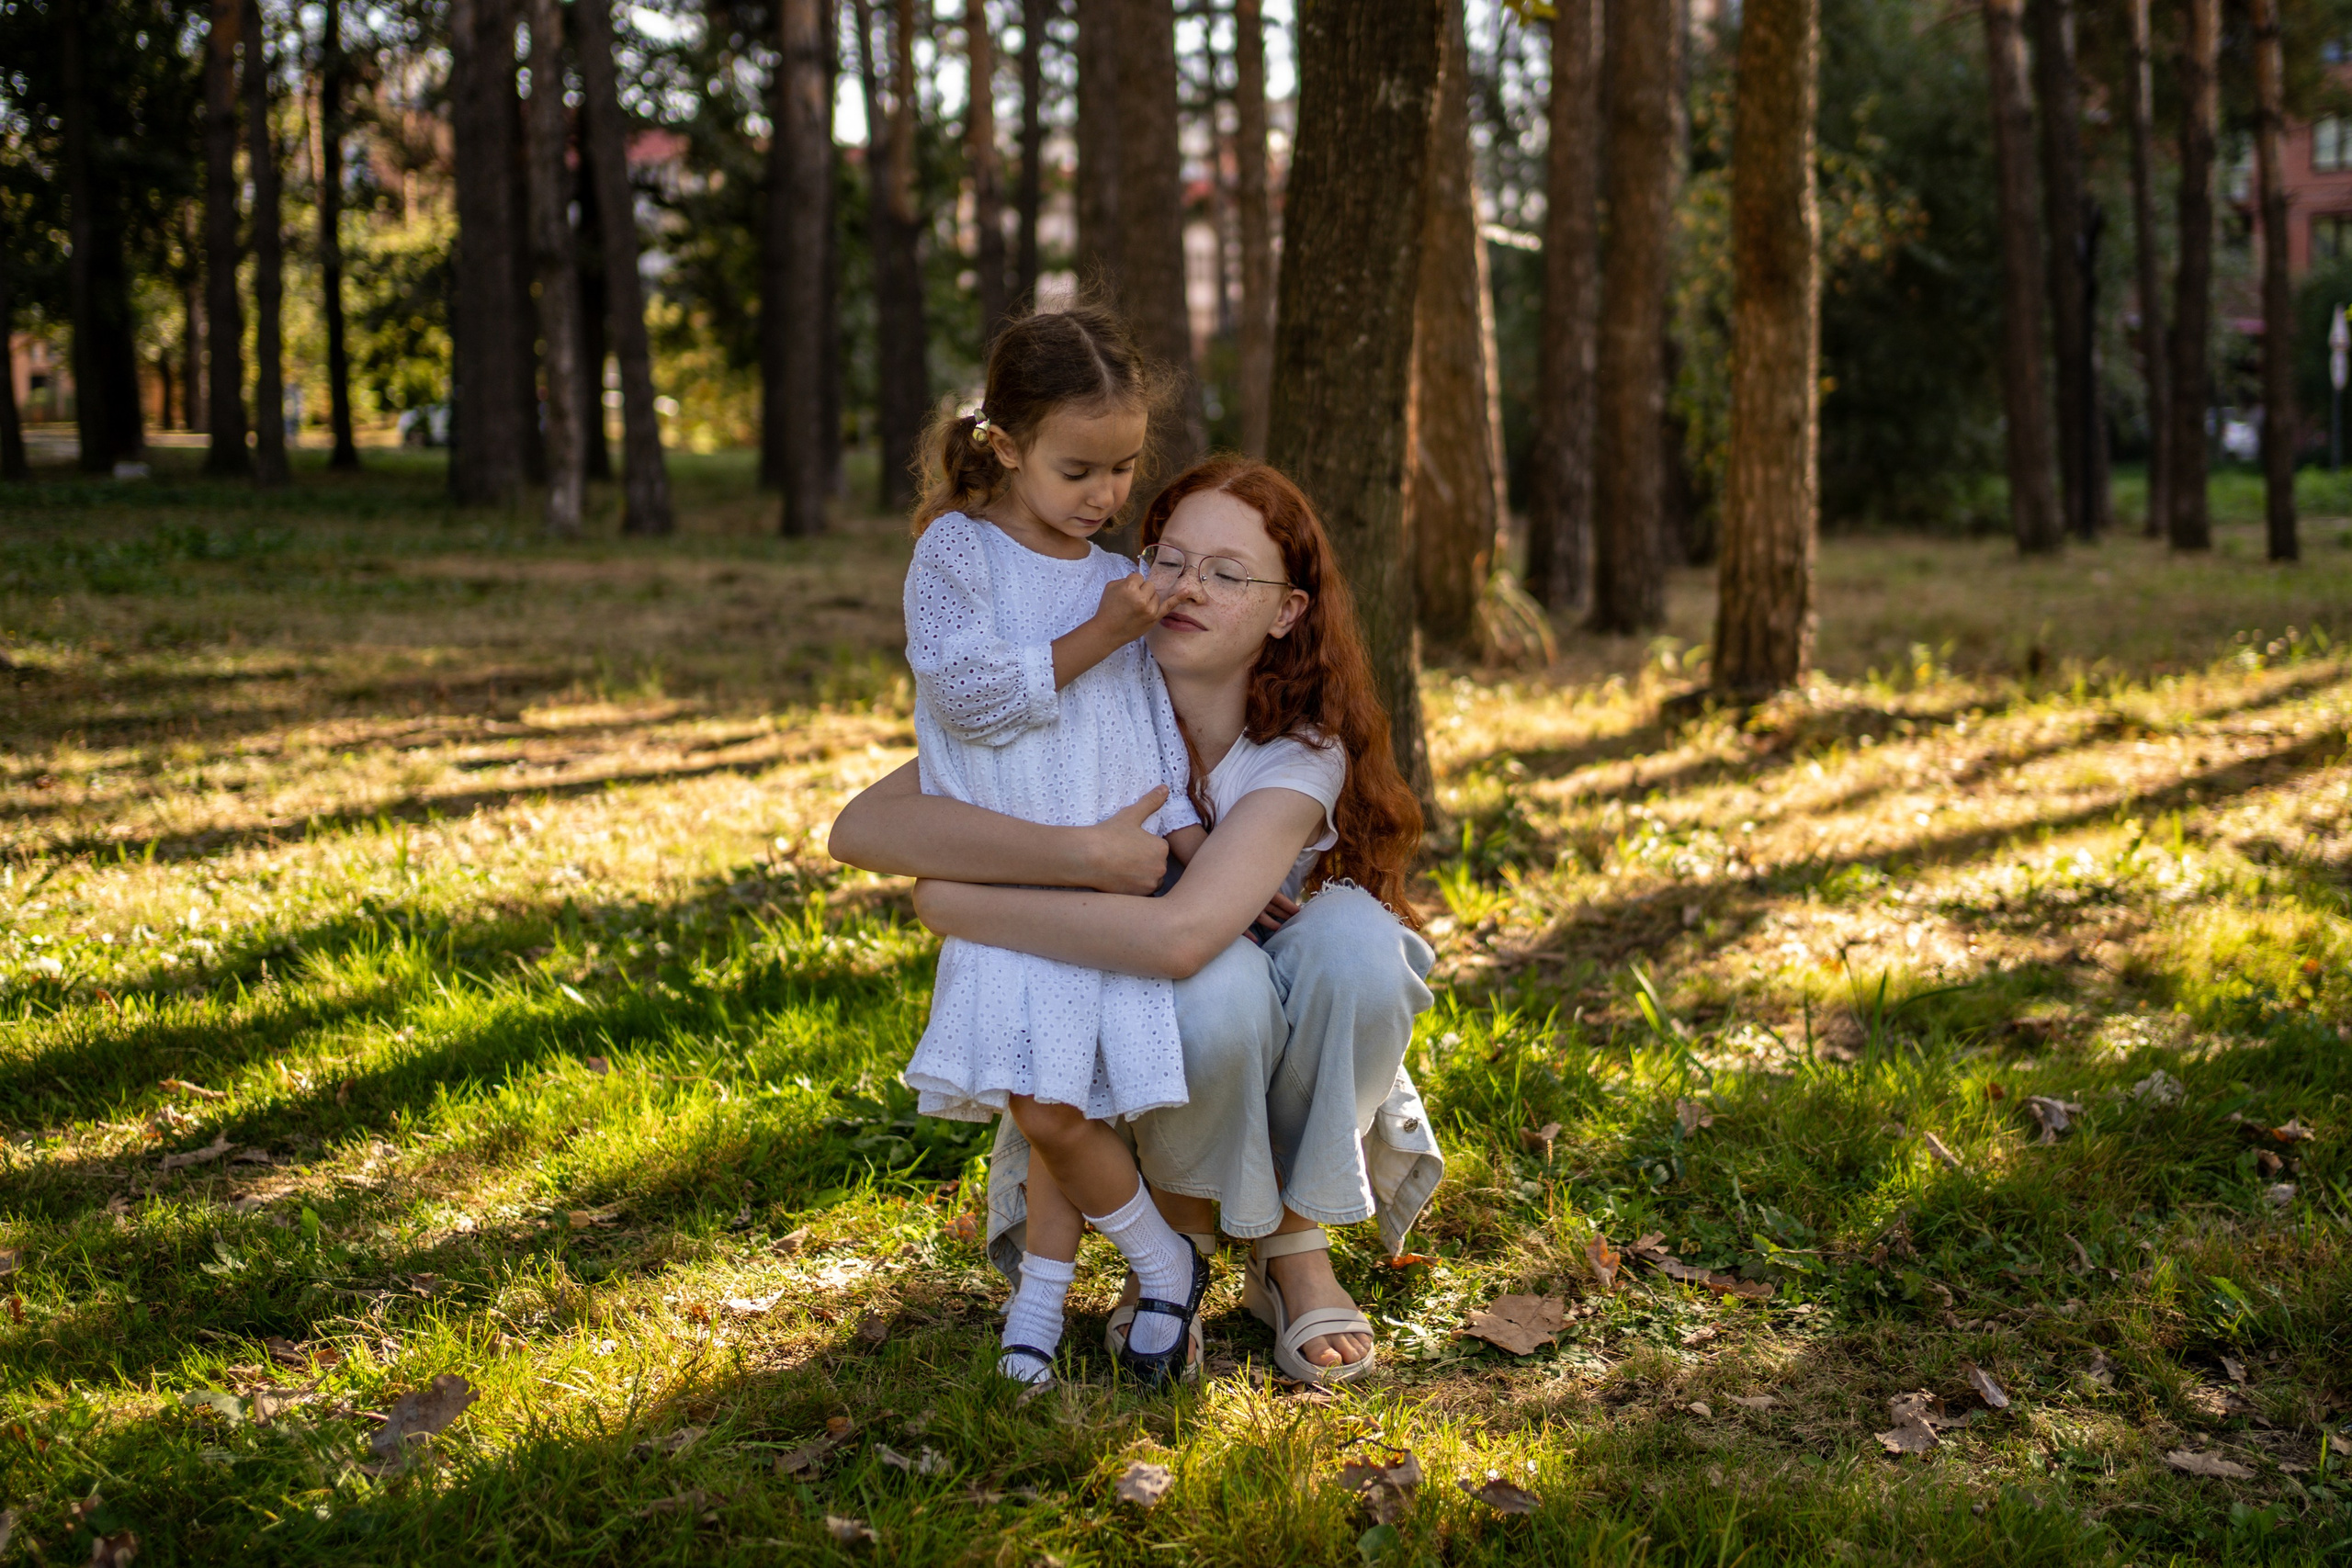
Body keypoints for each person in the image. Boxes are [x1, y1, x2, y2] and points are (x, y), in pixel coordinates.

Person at [831, 455, 1442, 1387]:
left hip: (1279, 1057)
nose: (1186, 587)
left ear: (1286, 612)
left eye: (1227, 574)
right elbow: (862, 827)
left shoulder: (1297, 749)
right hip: (1119, 1070)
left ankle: (1291, 1245)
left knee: (1357, 947)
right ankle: (1178, 1244)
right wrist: (1082, 855)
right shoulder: (1081, 696)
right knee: (1214, 990)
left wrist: (953, 901)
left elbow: (1177, 936)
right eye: (1168, 557)